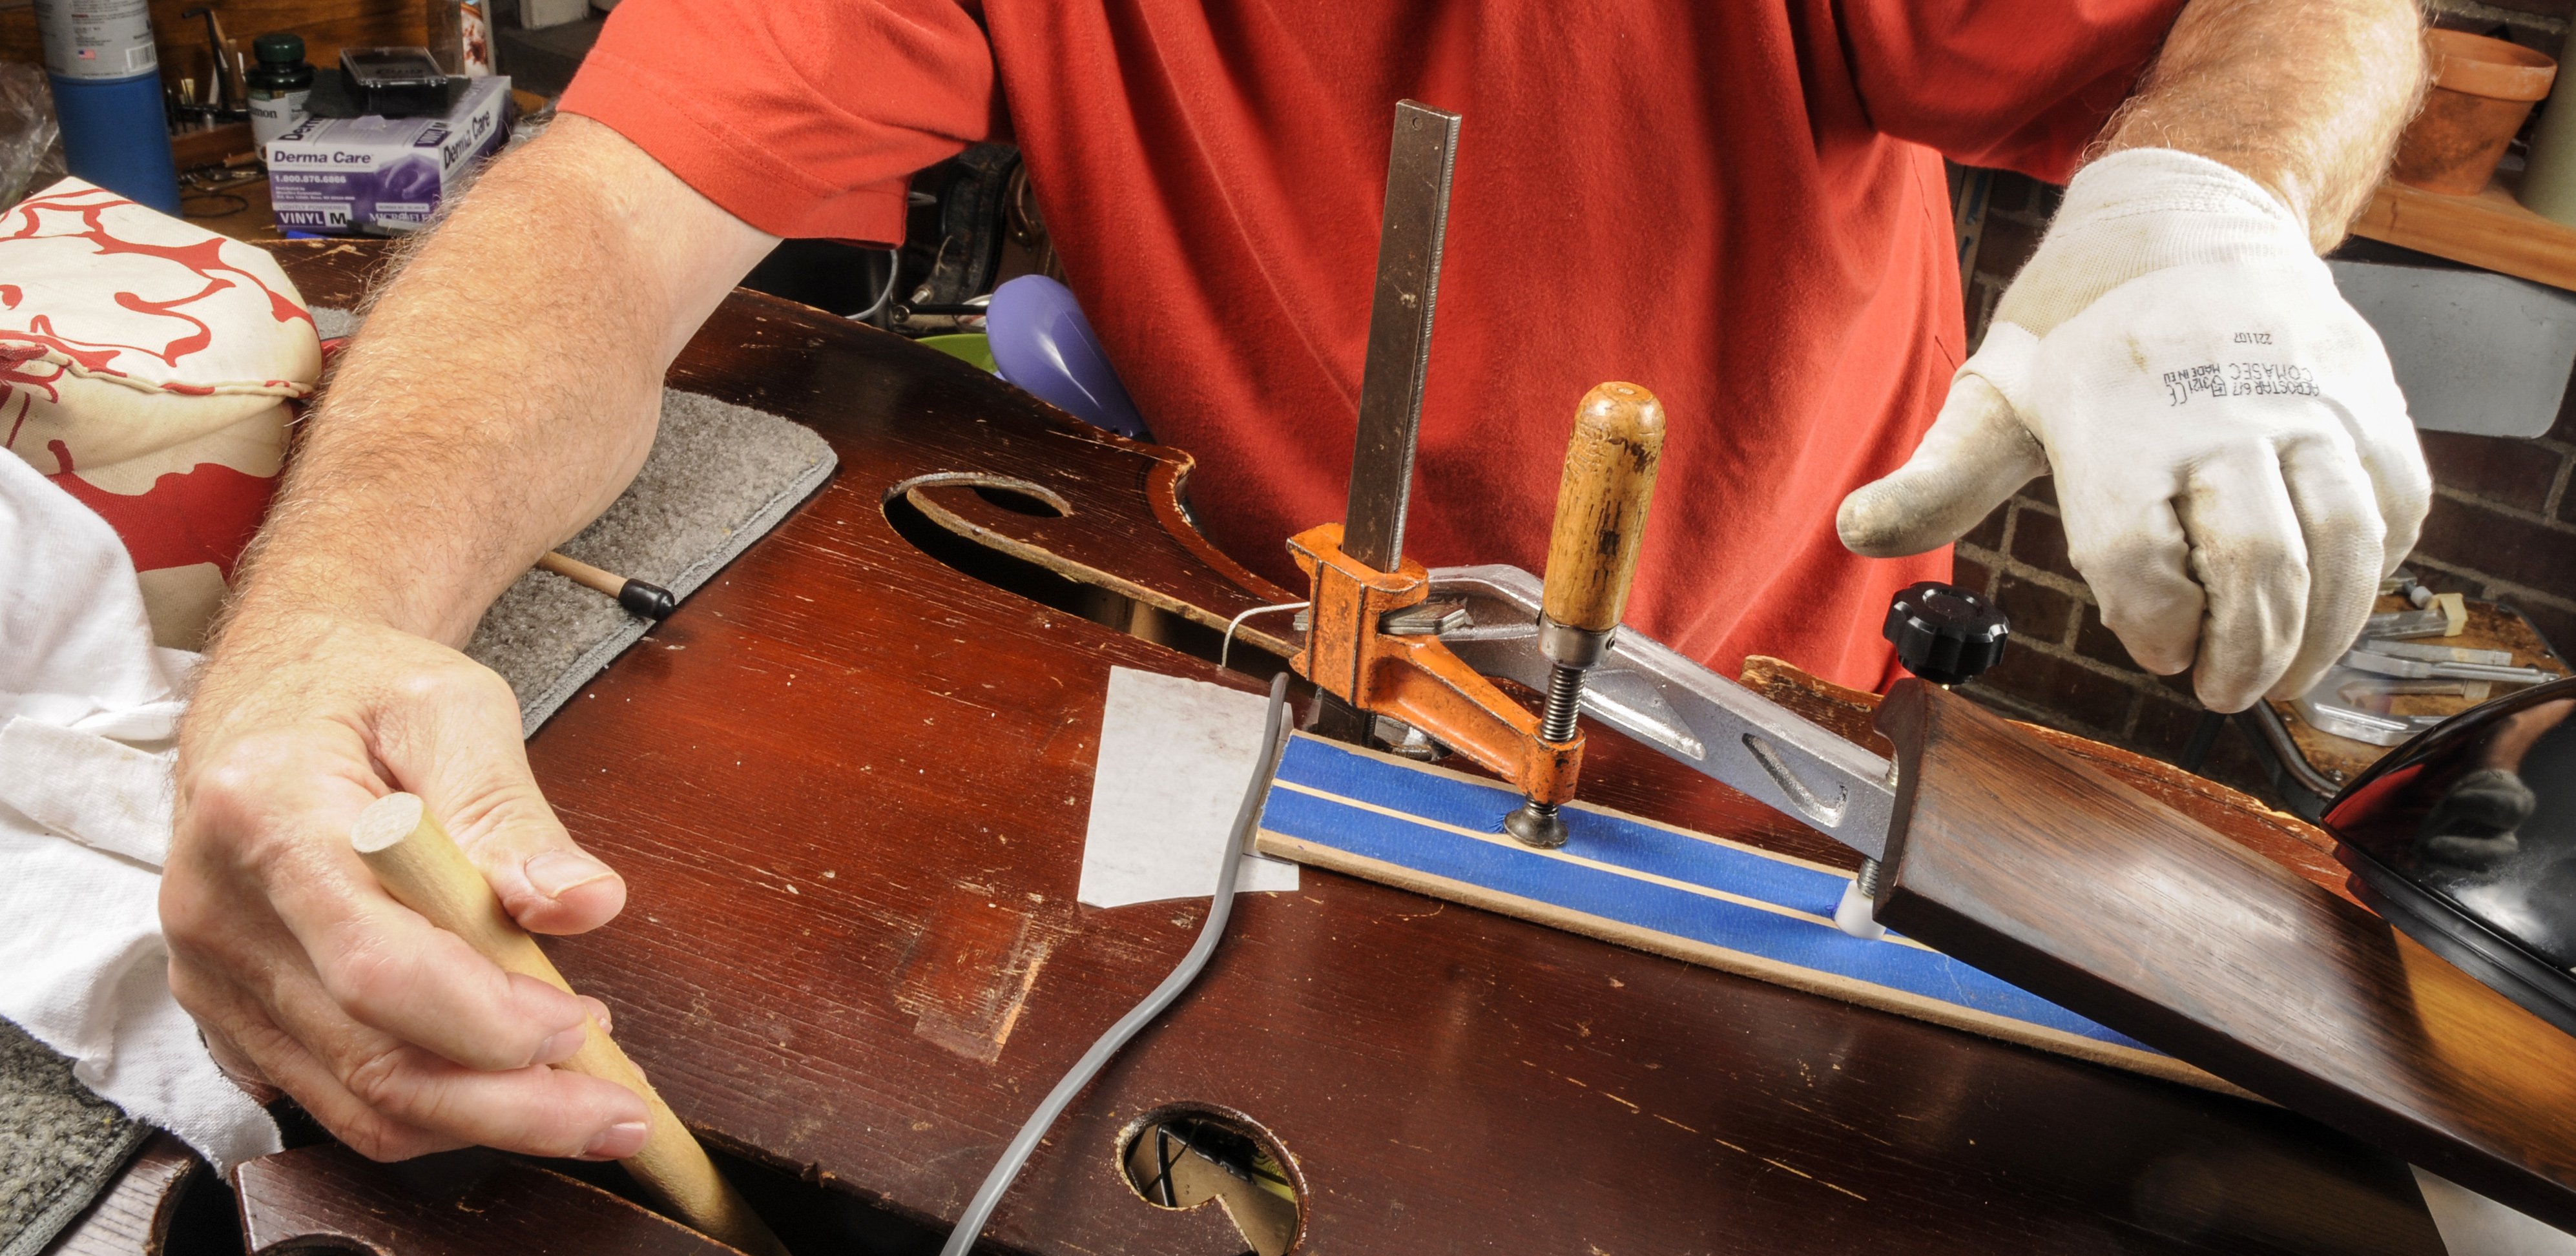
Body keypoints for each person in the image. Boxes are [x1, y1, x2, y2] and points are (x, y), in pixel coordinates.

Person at [163, 0, 2432, 1164]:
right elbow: (594, 217)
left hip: (1760, 744)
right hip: (1260, 709)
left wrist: (2216, 200)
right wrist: (328, 624)